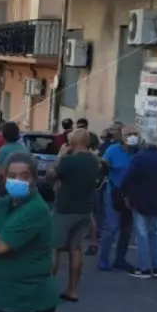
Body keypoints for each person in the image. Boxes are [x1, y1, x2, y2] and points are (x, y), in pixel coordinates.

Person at [0, 151, 58, 312]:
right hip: (6, 298)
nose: (18, 180)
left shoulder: (35, 209)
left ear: (34, 179)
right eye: (12, 176)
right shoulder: (3, 203)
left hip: (28, 302)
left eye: (24, 176)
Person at [47, 129, 98, 301]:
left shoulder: (69, 161)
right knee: (75, 249)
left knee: (53, 247)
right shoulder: (93, 160)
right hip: (85, 209)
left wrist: (60, 156)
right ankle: (72, 289)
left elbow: (51, 175)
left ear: (73, 143)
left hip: (65, 209)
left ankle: (46, 288)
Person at [122, 141, 157, 279]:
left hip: (140, 199)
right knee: (155, 233)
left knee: (142, 234)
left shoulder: (138, 158)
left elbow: (128, 177)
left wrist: (125, 194)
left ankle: (144, 268)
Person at [98, 126, 140, 272]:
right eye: (129, 134)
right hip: (114, 191)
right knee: (111, 227)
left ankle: (120, 259)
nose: (133, 137)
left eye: (135, 134)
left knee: (127, 229)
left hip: (132, 194)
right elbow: (103, 166)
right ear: (122, 136)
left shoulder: (139, 152)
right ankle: (103, 258)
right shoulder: (113, 150)